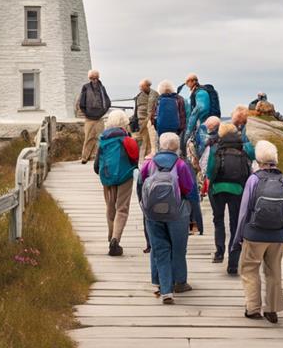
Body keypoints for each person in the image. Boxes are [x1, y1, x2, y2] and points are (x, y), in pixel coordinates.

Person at [233, 141, 283, 323]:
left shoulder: (253, 180)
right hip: (277, 235)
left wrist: (239, 236)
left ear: (258, 159)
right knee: (274, 271)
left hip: (254, 234)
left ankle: (253, 308)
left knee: (249, 269)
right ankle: (272, 309)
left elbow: (244, 211)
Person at [138, 132, 196, 304]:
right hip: (177, 213)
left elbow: (140, 186)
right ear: (177, 147)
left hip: (153, 213)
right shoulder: (181, 165)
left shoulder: (148, 164)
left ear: (161, 145)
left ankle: (164, 289)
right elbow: (189, 190)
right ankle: (180, 282)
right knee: (178, 248)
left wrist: (145, 207)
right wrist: (196, 218)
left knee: (160, 249)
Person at [206, 123, 255, 274]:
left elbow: (209, 173)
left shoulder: (215, 149)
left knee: (218, 220)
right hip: (238, 190)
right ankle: (233, 263)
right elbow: (252, 160)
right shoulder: (245, 148)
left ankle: (219, 253)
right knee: (235, 223)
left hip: (218, 190)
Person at [94, 110, 140, 256]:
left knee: (110, 207)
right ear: (124, 123)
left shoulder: (103, 139)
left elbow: (96, 166)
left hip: (107, 178)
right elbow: (135, 160)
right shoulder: (128, 140)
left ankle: (110, 237)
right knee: (122, 209)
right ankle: (116, 239)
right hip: (124, 177)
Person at [78, 69, 111, 164]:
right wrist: (87, 113)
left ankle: (98, 158)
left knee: (100, 138)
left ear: (98, 78)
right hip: (89, 118)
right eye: (92, 78)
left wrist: (102, 112)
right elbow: (81, 103)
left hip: (99, 118)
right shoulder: (85, 87)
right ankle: (85, 157)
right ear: (89, 78)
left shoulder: (102, 88)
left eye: (96, 78)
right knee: (88, 138)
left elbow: (107, 102)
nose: (94, 80)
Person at [134, 79, 159, 157]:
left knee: (152, 140)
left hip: (151, 120)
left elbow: (155, 106)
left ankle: (149, 156)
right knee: (145, 140)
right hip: (142, 121)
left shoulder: (154, 94)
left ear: (147, 86)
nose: (140, 88)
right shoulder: (139, 96)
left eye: (142, 86)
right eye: (140, 86)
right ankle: (145, 157)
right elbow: (137, 109)